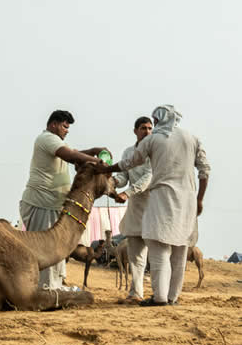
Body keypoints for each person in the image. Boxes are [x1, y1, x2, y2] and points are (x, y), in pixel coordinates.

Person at [97, 105, 210, 306]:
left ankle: (159, 298)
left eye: (153, 124)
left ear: (157, 122)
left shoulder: (154, 139)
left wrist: (107, 169)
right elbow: (205, 170)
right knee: (178, 253)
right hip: (187, 202)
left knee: (159, 252)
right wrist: (200, 199)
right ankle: (171, 297)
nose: (150, 129)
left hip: (161, 201)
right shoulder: (192, 139)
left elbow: (129, 163)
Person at [19, 110, 105, 290]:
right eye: (65, 126)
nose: (67, 130)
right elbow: (71, 155)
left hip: (52, 205)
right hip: (42, 203)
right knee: (47, 247)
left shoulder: (56, 142)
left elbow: (73, 153)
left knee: (57, 246)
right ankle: (46, 289)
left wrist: (92, 152)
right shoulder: (47, 139)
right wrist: (97, 162)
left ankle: (55, 285)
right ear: (53, 125)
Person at [113, 116, 154, 303]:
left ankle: (164, 295)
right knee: (136, 255)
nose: (147, 131)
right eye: (143, 128)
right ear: (135, 131)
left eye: (150, 128)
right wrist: (112, 182)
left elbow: (149, 177)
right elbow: (123, 175)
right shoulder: (129, 152)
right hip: (135, 209)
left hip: (155, 207)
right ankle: (136, 294)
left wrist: (127, 193)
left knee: (160, 254)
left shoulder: (155, 151)